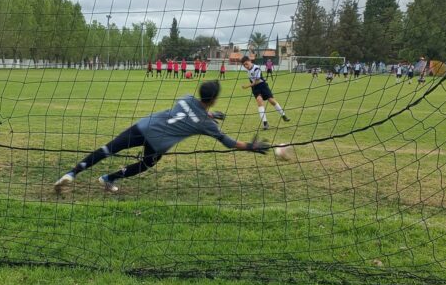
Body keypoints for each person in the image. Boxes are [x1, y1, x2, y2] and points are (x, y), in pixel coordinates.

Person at [54, 80, 270, 194]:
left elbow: (187, 111)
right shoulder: (205, 124)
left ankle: (72, 173)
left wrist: (209, 113)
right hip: (158, 143)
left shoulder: (185, 98)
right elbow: (228, 142)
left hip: (143, 126)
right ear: (213, 99)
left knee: (107, 149)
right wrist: (251, 146)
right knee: (145, 165)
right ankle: (109, 178)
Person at [240, 55, 290, 130]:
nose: (245, 66)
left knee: (271, 101)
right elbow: (253, 81)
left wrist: (246, 86)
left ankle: (283, 115)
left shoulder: (256, 68)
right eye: (244, 65)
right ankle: (265, 123)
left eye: (246, 64)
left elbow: (257, 81)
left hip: (262, 86)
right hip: (255, 88)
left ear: (250, 61)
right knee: (259, 101)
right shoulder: (248, 70)